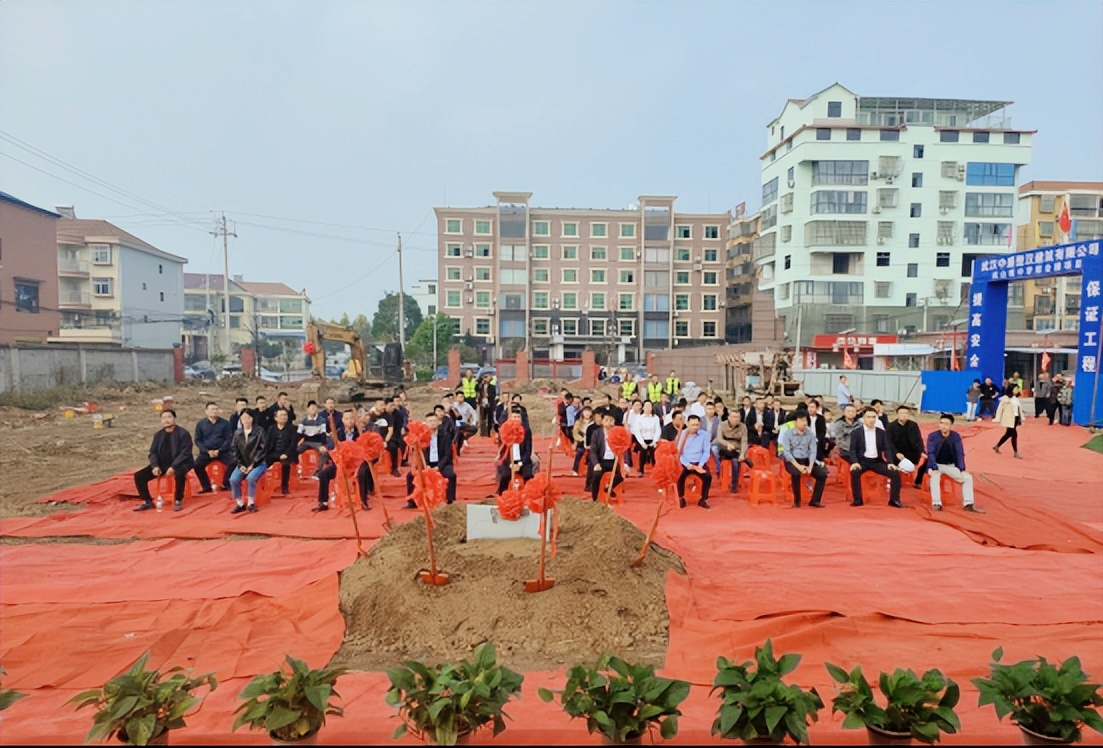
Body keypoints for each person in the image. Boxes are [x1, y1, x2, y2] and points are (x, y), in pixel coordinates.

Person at [133, 409, 194, 512]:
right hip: (162, 464)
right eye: (164, 418)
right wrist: (155, 465)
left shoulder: (183, 433)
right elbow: (153, 452)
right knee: (139, 476)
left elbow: (186, 453)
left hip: (181, 463)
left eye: (169, 417)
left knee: (179, 474)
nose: (167, 420)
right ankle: (147, 501)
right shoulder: (158, 435)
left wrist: (173, 466)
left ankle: (178, 500)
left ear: (174, 418)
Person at [926, 413, 983, 513]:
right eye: (942, 423)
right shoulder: (932, 436)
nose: (943, 426)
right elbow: (930, 452)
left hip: (950, 465)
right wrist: (933, 467)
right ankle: (936, 503)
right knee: (935, 477)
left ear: (951, 425)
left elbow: (959, 452)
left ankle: (968, 503)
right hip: (936, 464)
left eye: (946, 424)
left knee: (967, 477)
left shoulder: (955, 436)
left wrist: (961, 468)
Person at [848, 407, 903, 508]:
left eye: (874, 417)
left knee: (895, 473)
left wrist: (890, 462)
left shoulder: (881, 432)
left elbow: (887, 448)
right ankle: (857, 499)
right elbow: (852, 449)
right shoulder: (856, 433)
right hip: (862, 461)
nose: (871, 420)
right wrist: (855, 462)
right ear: (863, 419)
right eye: (868, 417)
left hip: (877, 461)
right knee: (855, 473)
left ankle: (894, 499)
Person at [405, 412, 458, 507]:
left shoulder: (445, 435)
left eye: (434, 421)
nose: (432, 423)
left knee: (451, 475)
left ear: (439, 422)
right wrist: (425, 465)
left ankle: (450, 500)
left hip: (441, 463)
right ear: (426, 423)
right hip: (426, 463)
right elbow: (419, 453)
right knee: (410, 476)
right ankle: (412, 502)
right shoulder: (421, 436)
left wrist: (438, 467)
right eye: (430, 421)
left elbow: (447, 455)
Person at [778, 412, 828, 508]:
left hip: (807, 459)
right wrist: (799, 467)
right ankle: (797, 501)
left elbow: (813, 451)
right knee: (796, 473)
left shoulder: (810, 434)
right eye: (801, 420)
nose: (804, 423)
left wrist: (810, 466)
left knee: (822, 474)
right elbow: (787, 453)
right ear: (795, 422)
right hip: (792, 460)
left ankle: (815, 500)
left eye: (805, 420)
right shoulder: (788, 434)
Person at [229, 409, 268, 514]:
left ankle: (251, 502)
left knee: (251, 478)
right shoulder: (237, 433)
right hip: (243, 463)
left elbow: (262, 450)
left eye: (248, 418)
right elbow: (234, 450)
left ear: (252, 419)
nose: (246, 420)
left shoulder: (259, 431)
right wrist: (240, 464)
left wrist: (253, 464)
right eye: (243, 418)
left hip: (258, 463)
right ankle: (239, 503)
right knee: (233, 479)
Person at [194, 401, 233, 493]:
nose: (214, 411)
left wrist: (219, 450)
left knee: (234, 463)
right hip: (207, 452)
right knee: (196, 465)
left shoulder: (225, 423)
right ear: (206, 411)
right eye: (212, 409)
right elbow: (198, 440)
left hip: (222, 451)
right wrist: (206, 451)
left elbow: (229, 439)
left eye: (216, 409)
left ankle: (225, 484)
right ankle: (206, 486)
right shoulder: (201, 424)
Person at [677, 414, 712, 509]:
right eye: (692, 425)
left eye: (696, 425)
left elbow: (706, 451)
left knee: (708, 476)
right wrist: (687, 464)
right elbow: (679, 452)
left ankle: (703, 499)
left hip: (699, 462)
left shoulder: (704, 435)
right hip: (685, 462)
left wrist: (700, 465)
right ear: (687, 424)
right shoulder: (682, 434)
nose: (694, 427)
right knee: (679, 476)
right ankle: (681, 498)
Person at [886, 405, 926, 489]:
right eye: (901, 413)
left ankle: (917, 482)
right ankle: (894, 478)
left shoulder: (913, 425)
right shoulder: (891, 426)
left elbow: (919, 440)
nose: (904, 415)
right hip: (897, 453)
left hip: (911, 451)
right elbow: (888, 443)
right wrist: (896, 453)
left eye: (906, 413)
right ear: (897, 415)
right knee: (895, 460)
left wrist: (921, 451)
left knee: (925, 460)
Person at [496, 407, 534, 494]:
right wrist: (511, 463)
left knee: (528, 477)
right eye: (514, 417)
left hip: (523, 461)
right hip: (508, 460)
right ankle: (502, 495)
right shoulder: (504, 430)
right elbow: (503, 450)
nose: (516, 419)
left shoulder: (527, 431)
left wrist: (520, 464)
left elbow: (528, 450)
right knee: (505, 476)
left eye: (518, 417)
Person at [588, 412, 625, 501]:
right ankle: (595, 498)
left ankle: (609, 487)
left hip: (613, 461)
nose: (609, 423)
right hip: (601, 461)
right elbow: (593, 451)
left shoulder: (618, 433)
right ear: (602, 421)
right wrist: (596, 464)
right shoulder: (597, 433)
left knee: (620, 476)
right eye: (606, 420)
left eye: (611, 420)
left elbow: (623, 448)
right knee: (597, 475)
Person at [266, 407, 298, 495]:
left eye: (285, 415)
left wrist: (286, 454)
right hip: (274, 453)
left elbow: (293, 444)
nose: (283, 417)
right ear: (275, 418)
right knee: (262, 462)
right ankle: (263, 485)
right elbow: (268, 443)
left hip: (288, 454)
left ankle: (284, 486)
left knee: (285, 464)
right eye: (281, 415)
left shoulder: (292, 428)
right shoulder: (271, 429)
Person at [716, 409, 750, 493]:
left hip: (737, 449)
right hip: (725, 448)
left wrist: (742, 454)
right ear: (729, 417)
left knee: (736, 460)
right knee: (729, 453)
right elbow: (719, 439)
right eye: (734, 417)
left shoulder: (743, 426)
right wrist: (727, 444)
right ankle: (744, 459)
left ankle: (734, 484)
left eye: (738, 417)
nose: (736, 419)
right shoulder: (722, 425)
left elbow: (744, 441)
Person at [631, 399, 662, 477]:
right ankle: (641, 470)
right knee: (642, 453)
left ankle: (656, 471)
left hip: (652, 439)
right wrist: (642, 443)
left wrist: (655, 441)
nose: (648, 408)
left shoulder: (655, 418)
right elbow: (637, 431)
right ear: (643, 408)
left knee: (654, 454)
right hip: (642, 439)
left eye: (650, 406)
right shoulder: (639, 418)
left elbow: (658, 430)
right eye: (646, 406)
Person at [993, 384, 1023, 459]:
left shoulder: (1016, 398)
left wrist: (1021, 418)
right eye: (1015, 389)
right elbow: (1000, 409)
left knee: (1008, 434)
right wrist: (998, 418)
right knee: (1014, 434)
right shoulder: (1005, 399)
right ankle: (1016, 452)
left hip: (1016, 418)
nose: (1017, 390)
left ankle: (997, 446)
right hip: (1009, 418)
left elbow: (1019, 409)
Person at [451, 391, 479, 455]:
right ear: (456, 398)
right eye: (459, 397)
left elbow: (474, 413)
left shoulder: (467, 405)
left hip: (464, 423)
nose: (461, 399)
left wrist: (474, 422)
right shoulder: (453, 405)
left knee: (474, 429)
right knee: (457, 434)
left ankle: (465, 437)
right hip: (455, 424)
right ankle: (456, 450)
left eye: (462, 397)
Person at [384, 397, 405, 476]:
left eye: (393, 405)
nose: (392, 407)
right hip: (381, 436)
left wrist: (389, 439)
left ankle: (394, 467)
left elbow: (397, 429)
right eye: (390, 405)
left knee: (393, 446)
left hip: (393, 437)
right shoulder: (382, 414)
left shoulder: (398, 414)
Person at [571, 406, 595, 476]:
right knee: (579, 453)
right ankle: (575, 469)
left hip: (590, 441)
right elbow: (575, 432)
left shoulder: (593, 423)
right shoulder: (578, 422)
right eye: (585, 412)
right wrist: (581, 439)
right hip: (581, 441)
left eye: (589, 412)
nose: (587, 414)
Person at [702, 401, 723, 476]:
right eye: (708, 409)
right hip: (703, 442)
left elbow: (719, 434)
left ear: (714, 410)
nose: (710, 411)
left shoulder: (718, 420)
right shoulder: (701, 420)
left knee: (715, 450)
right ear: (705, 410)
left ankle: (718, 470)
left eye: (712, 409)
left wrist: (711, 443)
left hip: (714, 442)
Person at [477, 373, 497, 438]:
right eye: (484, 377)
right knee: (482, 418)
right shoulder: (480, 386)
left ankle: (488, 432)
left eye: (487, 377)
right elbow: (476, 389)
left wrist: (488, 395)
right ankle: (483, 433)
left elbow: (493, 395)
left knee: (490, 418)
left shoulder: (492, 386)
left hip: (489, 403)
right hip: (482, 403)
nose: (486, 379)